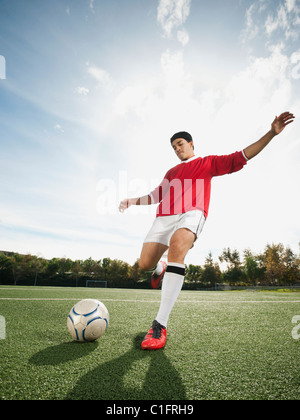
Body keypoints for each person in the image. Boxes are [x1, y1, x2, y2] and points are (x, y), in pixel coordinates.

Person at [119, 112, 295, 350]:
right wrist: (132, 201)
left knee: (178, 247)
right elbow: (156, 195)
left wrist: (271, 134)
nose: (177, 149)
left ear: (192, 144)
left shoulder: (208, 163)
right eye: (173, 147)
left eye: (180, 144)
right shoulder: (171, 172)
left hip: (192, 213)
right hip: (163, 218)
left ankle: (159, 324)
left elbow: (242, 155)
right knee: (144, 264)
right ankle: (160, 267)